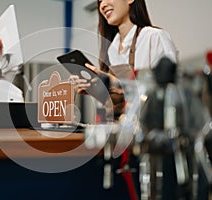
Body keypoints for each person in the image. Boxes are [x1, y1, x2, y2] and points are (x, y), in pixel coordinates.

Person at [72, 0, 178, 199]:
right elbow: (121, 103)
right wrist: (98, 90)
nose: (103, 5)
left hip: (151, 151)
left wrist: (115, 83)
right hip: (122, 148)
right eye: (99, 1)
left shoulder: (154, 37)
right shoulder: (111, 49)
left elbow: (169, 95)